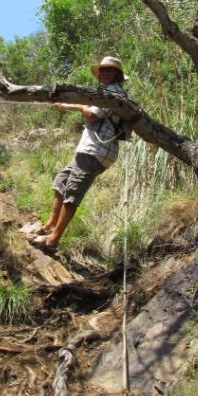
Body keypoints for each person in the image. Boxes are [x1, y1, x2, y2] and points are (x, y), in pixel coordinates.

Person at [27, 55, 129, 253]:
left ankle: (52, 240)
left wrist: (79, 107)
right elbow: (89, 108)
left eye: (109, 70)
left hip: (96, 151)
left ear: (117, 75)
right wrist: (67, 105)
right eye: (103, 70)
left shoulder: (114, 92)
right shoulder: (106, 92)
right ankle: (50, 226)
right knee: (62, 182)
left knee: (72, 192)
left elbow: (91, 114)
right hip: (89, 150)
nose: (104, 73)